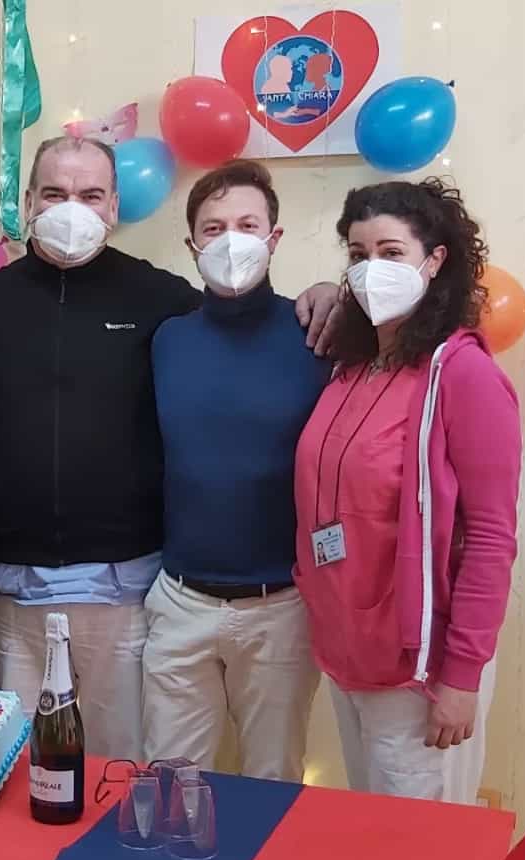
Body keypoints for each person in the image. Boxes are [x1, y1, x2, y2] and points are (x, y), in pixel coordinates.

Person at [0, 138, 341, 759]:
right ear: (28, 202)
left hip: (125, 591)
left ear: (113, 207)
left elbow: (237, 322)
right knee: (21, 767)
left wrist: (322, 293)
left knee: (119, 766)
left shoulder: (161, 299)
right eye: (55, 193)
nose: (72, 207)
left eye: (90, 194)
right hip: (13, 592)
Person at [293, 179, 521, 803]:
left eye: (391, 252)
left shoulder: (464, 374)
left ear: (435, 260)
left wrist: (462, 677)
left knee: (421, 847)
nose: (372, 269)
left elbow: (492, 537)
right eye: (358, 254)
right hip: (348, 652)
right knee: (372, 833)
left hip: (421, 672)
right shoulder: (351, 368)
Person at [142, 161, 329, 781]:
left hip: (282, 607)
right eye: (214, 227)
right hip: (179, 600)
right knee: (168, 785)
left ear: (274, 237)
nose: (231, 240)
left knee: (272, 782)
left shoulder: (317, 335)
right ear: (192, 243)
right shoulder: (168, 340)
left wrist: (334, 291)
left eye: (247, 225)